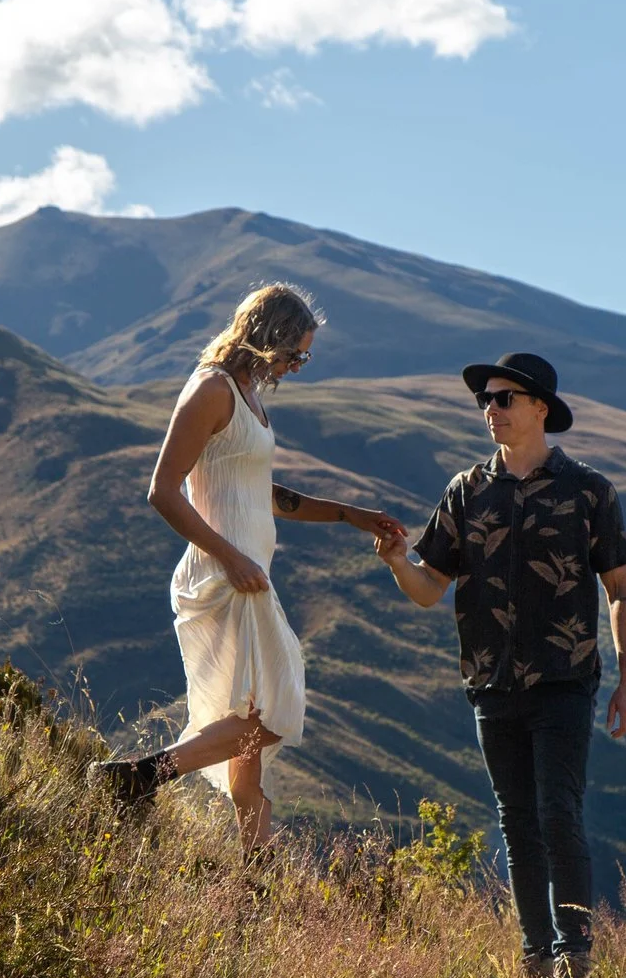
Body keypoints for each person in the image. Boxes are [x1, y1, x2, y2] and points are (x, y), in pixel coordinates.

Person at [90, 284, 405, 852]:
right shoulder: (211, 389)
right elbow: (163, 492)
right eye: (296, 354)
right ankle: (138, 778)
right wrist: (230, 557)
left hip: (247, 572)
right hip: (224, 576)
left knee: (251, 737)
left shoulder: (248, 396)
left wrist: (346, 515)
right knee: (277, 713)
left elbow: (261, 491)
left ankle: (253, 874)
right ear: (270, 339)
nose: (297, 366)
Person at [373, 351, 626, 978]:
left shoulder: (588, 491)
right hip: (491, 684)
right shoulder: (467, 491)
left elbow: (622, 591)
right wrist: (393, 561)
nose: (489, 410)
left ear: (539, 409)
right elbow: (430, 587)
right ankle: (538, 971)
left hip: (564, 680)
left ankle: (578, 966)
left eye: (502, 399)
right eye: (484, 401)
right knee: (518, 824)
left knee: (558, 813)